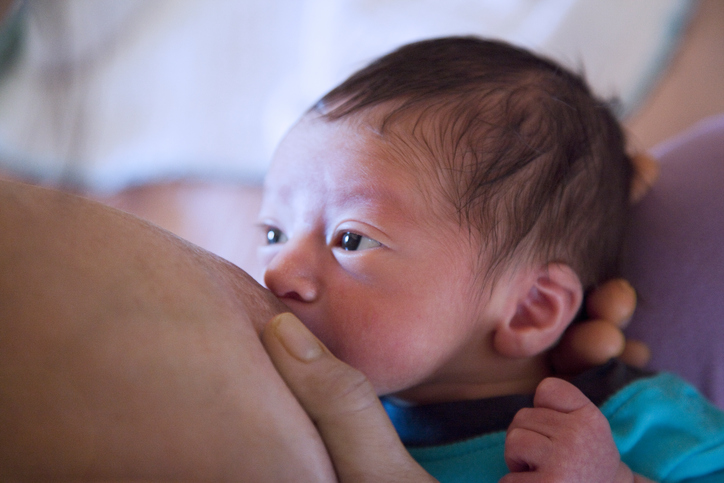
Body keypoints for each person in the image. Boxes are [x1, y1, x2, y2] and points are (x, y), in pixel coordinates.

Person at [257, 37, 724, 482]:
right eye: (275, 233)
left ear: (529, 308)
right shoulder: (280, 405)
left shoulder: (632, 423)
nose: (278, 272)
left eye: (352, 240)